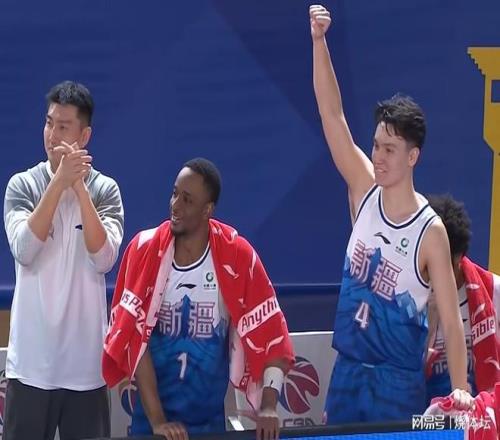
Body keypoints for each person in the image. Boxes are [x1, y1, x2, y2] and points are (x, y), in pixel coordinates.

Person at [309, 4, 473, 423]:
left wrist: (460, 390)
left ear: (413, 156)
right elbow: (332, 115)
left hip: (397, 386)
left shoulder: (430, 231)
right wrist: (319, 41)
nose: (378, 156)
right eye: (376, 145)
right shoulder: (364, 188)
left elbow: (451, 322)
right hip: (347, 374)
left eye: (390, 149)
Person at [102, 158, 294, 440]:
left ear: (208, 210)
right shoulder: (144, 251)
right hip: (151, 425)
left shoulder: (237, 257)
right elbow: (135, 341)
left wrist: (268, 406)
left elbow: (273, 335)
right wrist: (159, 423)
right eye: (174, 193)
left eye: (187, 200)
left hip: (209, 426)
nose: (175, 205)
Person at [3, 80, 124, 440]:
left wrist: (79, 188)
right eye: (48, 123)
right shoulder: (22, 185)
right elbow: (24, 250)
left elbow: (103, 258)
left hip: (85, 370)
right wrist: (58, 183)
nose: (52, 135)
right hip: (30, 368)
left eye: (63, 127)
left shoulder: (105, 190)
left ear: (84, 136)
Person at [425, 194, 500, 403]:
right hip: (424, 415)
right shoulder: (410, 297)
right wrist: (429, 327)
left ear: (459, 256)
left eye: (439, 260)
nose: (432, 268)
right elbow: (402, 373)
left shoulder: (493, 291)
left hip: (482, 415)